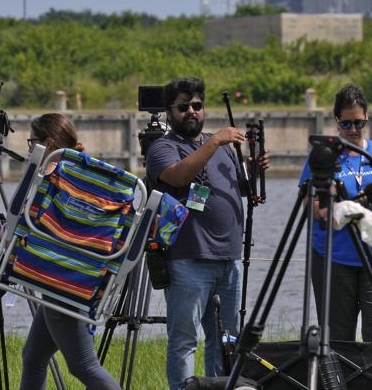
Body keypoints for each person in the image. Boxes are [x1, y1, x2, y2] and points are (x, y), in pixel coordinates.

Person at [145, 77, 267, 390]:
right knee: (185, 340)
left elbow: (239, 191)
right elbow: (180, 175)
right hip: (188, 260)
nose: (191, 112)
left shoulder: (225, 148)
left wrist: (253, 169)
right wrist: (215, 143)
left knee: (226, 341)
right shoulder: (162, 147)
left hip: (229, 259)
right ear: (170, 112)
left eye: (197, 106)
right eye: (183, 106)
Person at [20, 113, 120, 390]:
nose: (31, 149)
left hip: (63, 282)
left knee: (84, 367)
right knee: (33, 357)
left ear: (49, 143)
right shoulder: (82, 174)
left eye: (33, 142)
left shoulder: (58, 179)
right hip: (77, 277)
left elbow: (35, 225)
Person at [299, 84, 372, 343]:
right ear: (336, 121)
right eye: (346, 124)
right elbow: (307, 207)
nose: (354, 130)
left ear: (367, 118)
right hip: (333, 259)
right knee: (337, 336)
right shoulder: (322, 157)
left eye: (359, 123)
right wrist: (335, 211)